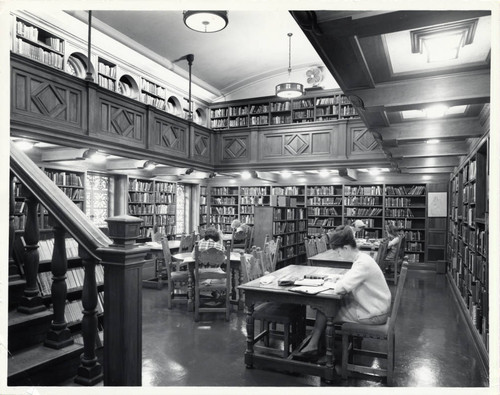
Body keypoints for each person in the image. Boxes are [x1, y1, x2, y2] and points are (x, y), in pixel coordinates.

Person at [298, 225, 391, 358]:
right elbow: (348, 280)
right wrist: (338, 280)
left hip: (374, 314)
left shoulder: (361, 264)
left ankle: (323, 352)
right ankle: (314, 344)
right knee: (326, 307)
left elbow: (340, 288)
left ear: (346, 248)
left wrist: (335, 283)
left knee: (327, 310)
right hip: (376, 307)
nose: (339, 255)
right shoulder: (363, 259)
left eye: (339, 252)